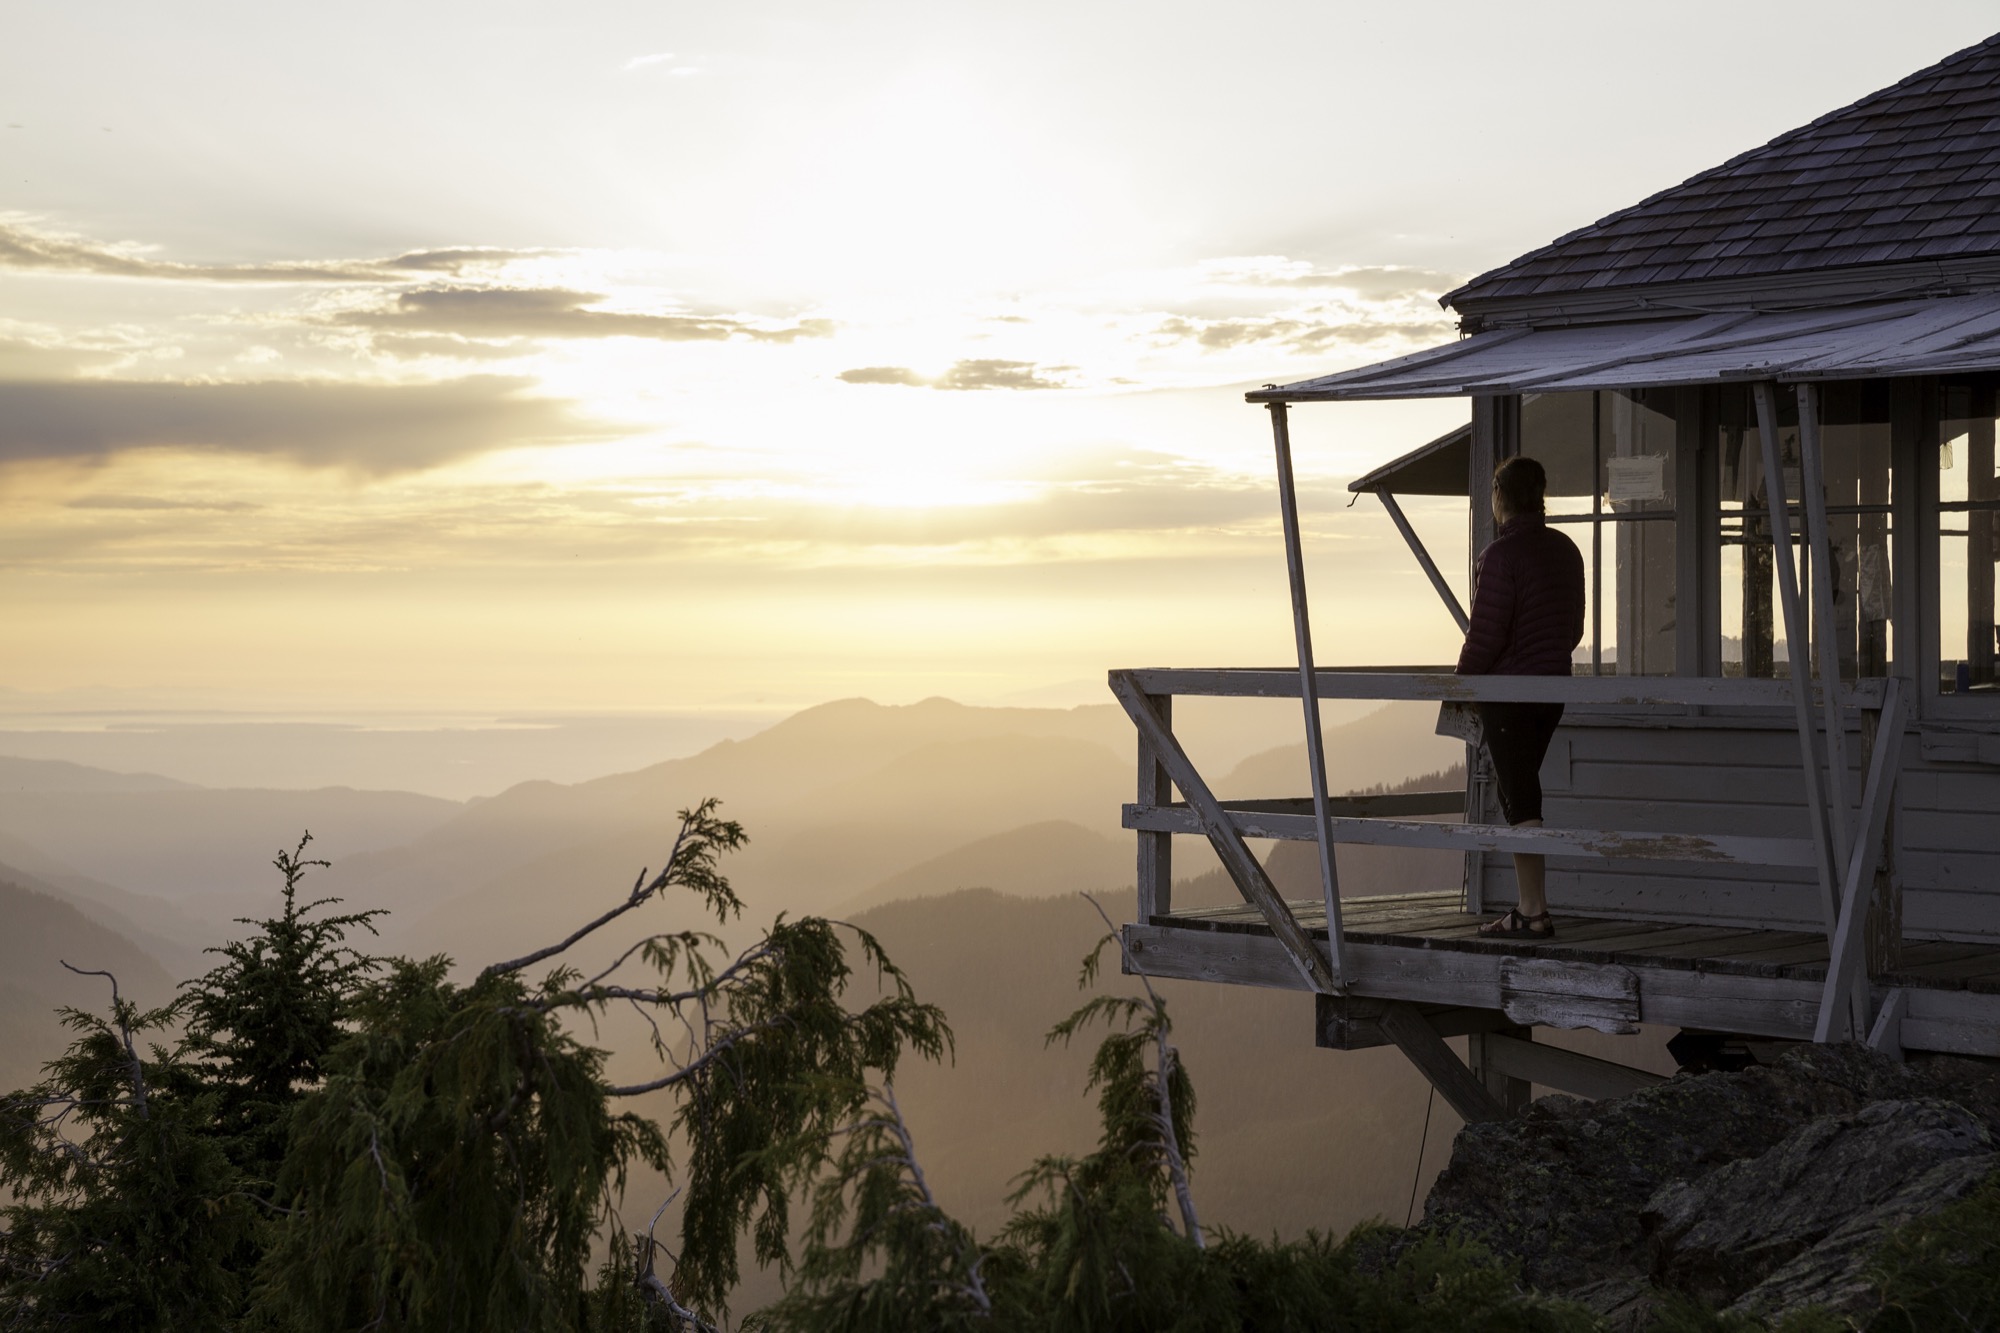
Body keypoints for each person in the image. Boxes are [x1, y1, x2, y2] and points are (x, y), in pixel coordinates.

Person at [1458, 456, 1586, 939]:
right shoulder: (1566, 551)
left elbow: (1486, 635)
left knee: (1519, 793)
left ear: (1499, 495)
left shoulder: (1499, 557)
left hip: (1508, 691)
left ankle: (1533, 912)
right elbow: (1571, 629)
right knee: (1521, 787)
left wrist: (1460, 686)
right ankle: (1531, 908)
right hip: (1552, 688)